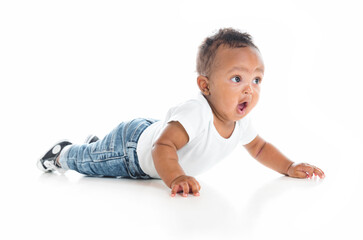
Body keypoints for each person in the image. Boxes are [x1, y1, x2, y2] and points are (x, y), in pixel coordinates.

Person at [37, 28, 325, 197]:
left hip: (155, 133)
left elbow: (260, 148)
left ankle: (96, 144)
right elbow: (163, 145)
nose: (249, 89)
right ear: (205, 85)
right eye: (237, 79)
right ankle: (62, 153)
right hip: (131, 152)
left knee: (101, 151)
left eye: (257, 80)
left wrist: (289, 167)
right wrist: (175, 177)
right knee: (89, 163)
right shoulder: (197, 113)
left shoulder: (239, 122)